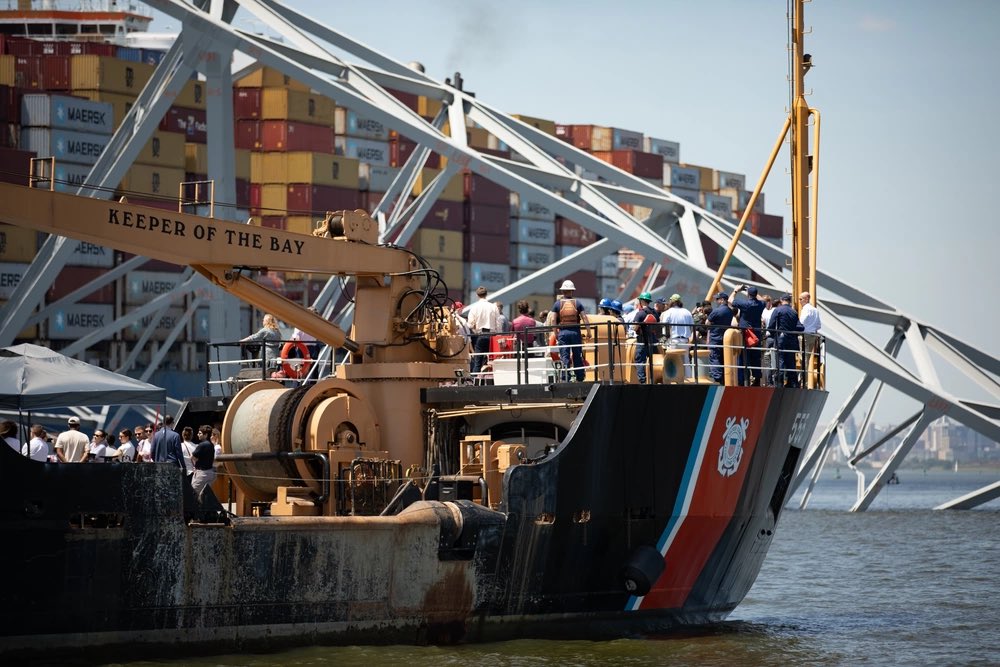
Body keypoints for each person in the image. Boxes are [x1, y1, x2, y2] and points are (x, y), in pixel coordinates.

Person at [548, 279, 589, 382]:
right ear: (572, 291)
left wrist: (555, 333)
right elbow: (585, 318)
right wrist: (589, 331)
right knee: (577, 355)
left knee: (564, 356)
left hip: (563, 332)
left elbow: (553, 319)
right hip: (575, 332)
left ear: (562, 291)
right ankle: (580, 377)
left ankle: (565, 377)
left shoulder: (557, 304)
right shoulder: (578, 303)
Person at [730, 285, 766, 385]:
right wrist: (751, 289)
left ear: (748, 294)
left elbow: (730, 300)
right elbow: (763, 300)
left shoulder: (745, 304)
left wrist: (735, 290)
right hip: (756, 334)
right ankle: (757, 379)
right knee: (756, 357)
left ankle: (743, 381)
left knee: (743, 357)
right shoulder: (761, 304)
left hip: (745, 333)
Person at [768, 293, 804, 387]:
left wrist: (772, 334)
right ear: (789, 301)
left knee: (780, 360)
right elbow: (800, 327)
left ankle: (779, 382)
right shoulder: (794, 312)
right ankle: (793, 383)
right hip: (792, 340)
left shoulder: (778, 310)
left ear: (781, 300)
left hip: (781, 339)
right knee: (791, 362)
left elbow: (771, 325)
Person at [465, 286, 499, 378]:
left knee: (477, 362)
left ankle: (474, 382)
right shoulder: (494, 307)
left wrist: (475, 328)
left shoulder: (474, 307)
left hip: (480, 335)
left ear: (477, 295)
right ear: (486, 294)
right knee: (492, 361)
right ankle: (492, 381)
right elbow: (498, 324)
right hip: (492, 336)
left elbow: (469, 325)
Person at [707, 292, 735, 384]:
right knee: (723, 358)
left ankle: (717, 379)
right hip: (725, 339)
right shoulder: (730, 311)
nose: (716, 301)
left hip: (715, 338)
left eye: (717, 299)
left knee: (715, 358)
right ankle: (724, 379)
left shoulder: (716, 311)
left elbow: (707, 322)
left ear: (722, 300)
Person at [631, 292, 658, 384]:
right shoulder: (655, 313)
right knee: (654, 360)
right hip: (653, 341)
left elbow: (635, 328)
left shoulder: (640, 313)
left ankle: (642, 381)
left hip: (642, 342)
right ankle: (655, 379)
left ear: (641, 301)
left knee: (639, 360)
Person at [798, 291, 822, 378]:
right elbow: (819, 325)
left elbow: (801, 322)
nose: (799, 301)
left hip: (805, 335)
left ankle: (802, 378)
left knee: (803, 357)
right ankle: (804, 378)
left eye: (801, 299)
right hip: (813, 335)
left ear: (806, 299)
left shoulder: (805, 309)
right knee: (807, 357)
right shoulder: (815, 310)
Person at [191, 425, 217, 502]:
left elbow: (193, 457)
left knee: (193, 493)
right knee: (204, 494)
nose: (198, 435)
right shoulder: (211, 445)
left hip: (202, 473)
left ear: (205, 435)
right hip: (210, 472)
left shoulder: (202, 445)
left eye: (200, 433)